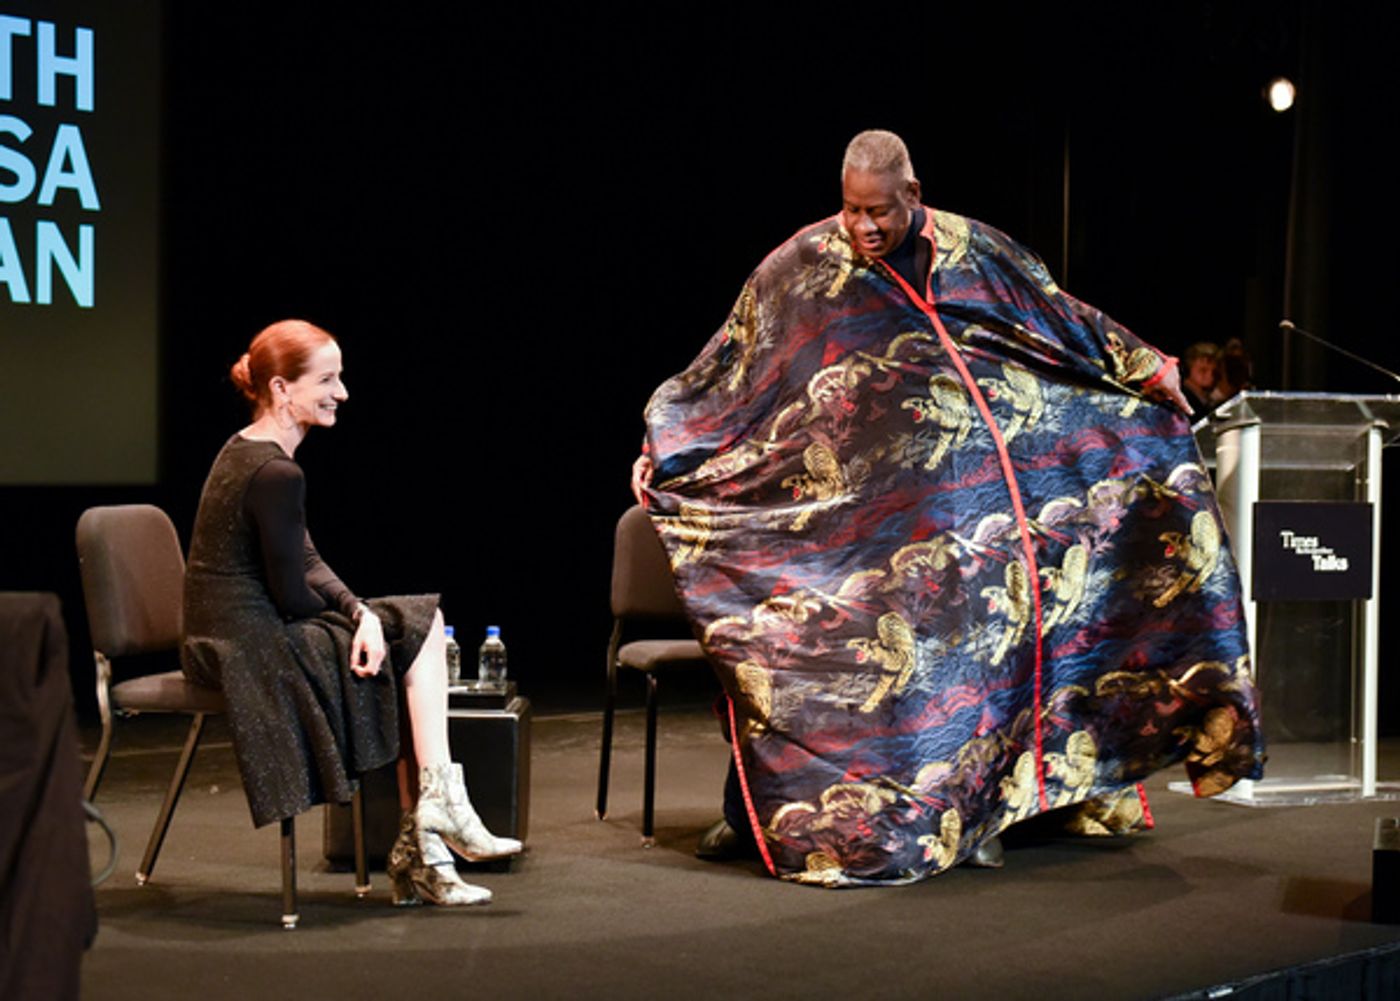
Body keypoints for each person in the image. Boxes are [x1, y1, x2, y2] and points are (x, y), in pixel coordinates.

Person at [631, 130, 1263, 887]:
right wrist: (666, 445)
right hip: (849, 519)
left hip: (967, 514)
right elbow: (727, 366)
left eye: (879, 212)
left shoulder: (976, 253)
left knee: (980, 660)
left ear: (913, 195)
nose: (864, 228)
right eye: (851, 210)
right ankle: (750, 814)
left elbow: (1057, 316)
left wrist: (1146, 365)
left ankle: (986, 816)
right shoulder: (800, 268)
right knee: (794, 653)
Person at [181, 319, 521, 907]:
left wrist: (358, 611)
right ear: (282, 389)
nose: (342, 392)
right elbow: (290, 596)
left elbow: (304, 557)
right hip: (246, 647)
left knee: (409, 629)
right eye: (328, 380)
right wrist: (358, 623)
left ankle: (435, 835)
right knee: (415, 632)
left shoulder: (247, 448)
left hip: (233, 633)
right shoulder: (275, 471)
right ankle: (433, 832)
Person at [1180, 341, 1222, 418]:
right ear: (1188, 368)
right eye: (1203, 370)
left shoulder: (1209, 401)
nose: (1210, 375)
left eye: (1214, 372)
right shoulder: (1181, 398)